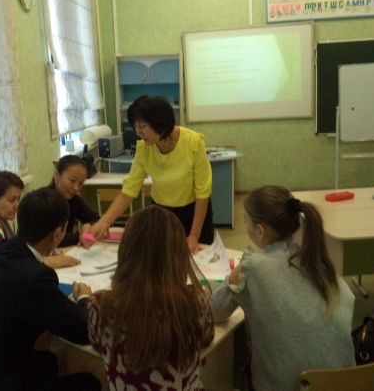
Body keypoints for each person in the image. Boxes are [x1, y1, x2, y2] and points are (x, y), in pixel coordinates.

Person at [0, 188, 101, 391]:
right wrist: (84, 298)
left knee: (47, 361)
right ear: (58, 234)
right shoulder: (36, 277)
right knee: (89, 383)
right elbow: (84, 331)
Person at [210, 185, 355, 391]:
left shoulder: (252, 268)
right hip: (346, 384)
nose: (243, 223)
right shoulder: (320, 266)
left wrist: (232, 278)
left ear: (260, 230)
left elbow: (213, 311)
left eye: (245, 219)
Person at [87, 205, 214, 389]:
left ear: (126, 251)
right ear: (178, 256)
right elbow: (207, 338)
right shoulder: (193, 304)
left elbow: (96, 341)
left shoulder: (100, 305)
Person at [90, 95, 213, 252]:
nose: (138, 132)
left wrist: (194, 235)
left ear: (160, 124)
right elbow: (129, 191)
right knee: (161, 256)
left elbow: (203, 194)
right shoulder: (144, 148)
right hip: (161, 213)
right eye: (135, 126)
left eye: (142, 126)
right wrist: (104, 221)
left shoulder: (193, 143)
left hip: (193, 213)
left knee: (198, 258)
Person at [0, 170, 78, 283]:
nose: (17, 205)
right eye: (12, 200)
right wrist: (43, 261)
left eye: (18, 199)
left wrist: (86, 234)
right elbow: (2, 263)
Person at [49, 155, 99, 247]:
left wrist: (87, 225)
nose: (76, 188)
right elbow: (53, 238)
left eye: (80, 183)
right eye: (72, 181)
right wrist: (80, 236)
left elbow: (96, 220)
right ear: (57, 175)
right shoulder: (44, 201)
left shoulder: (73, 199)